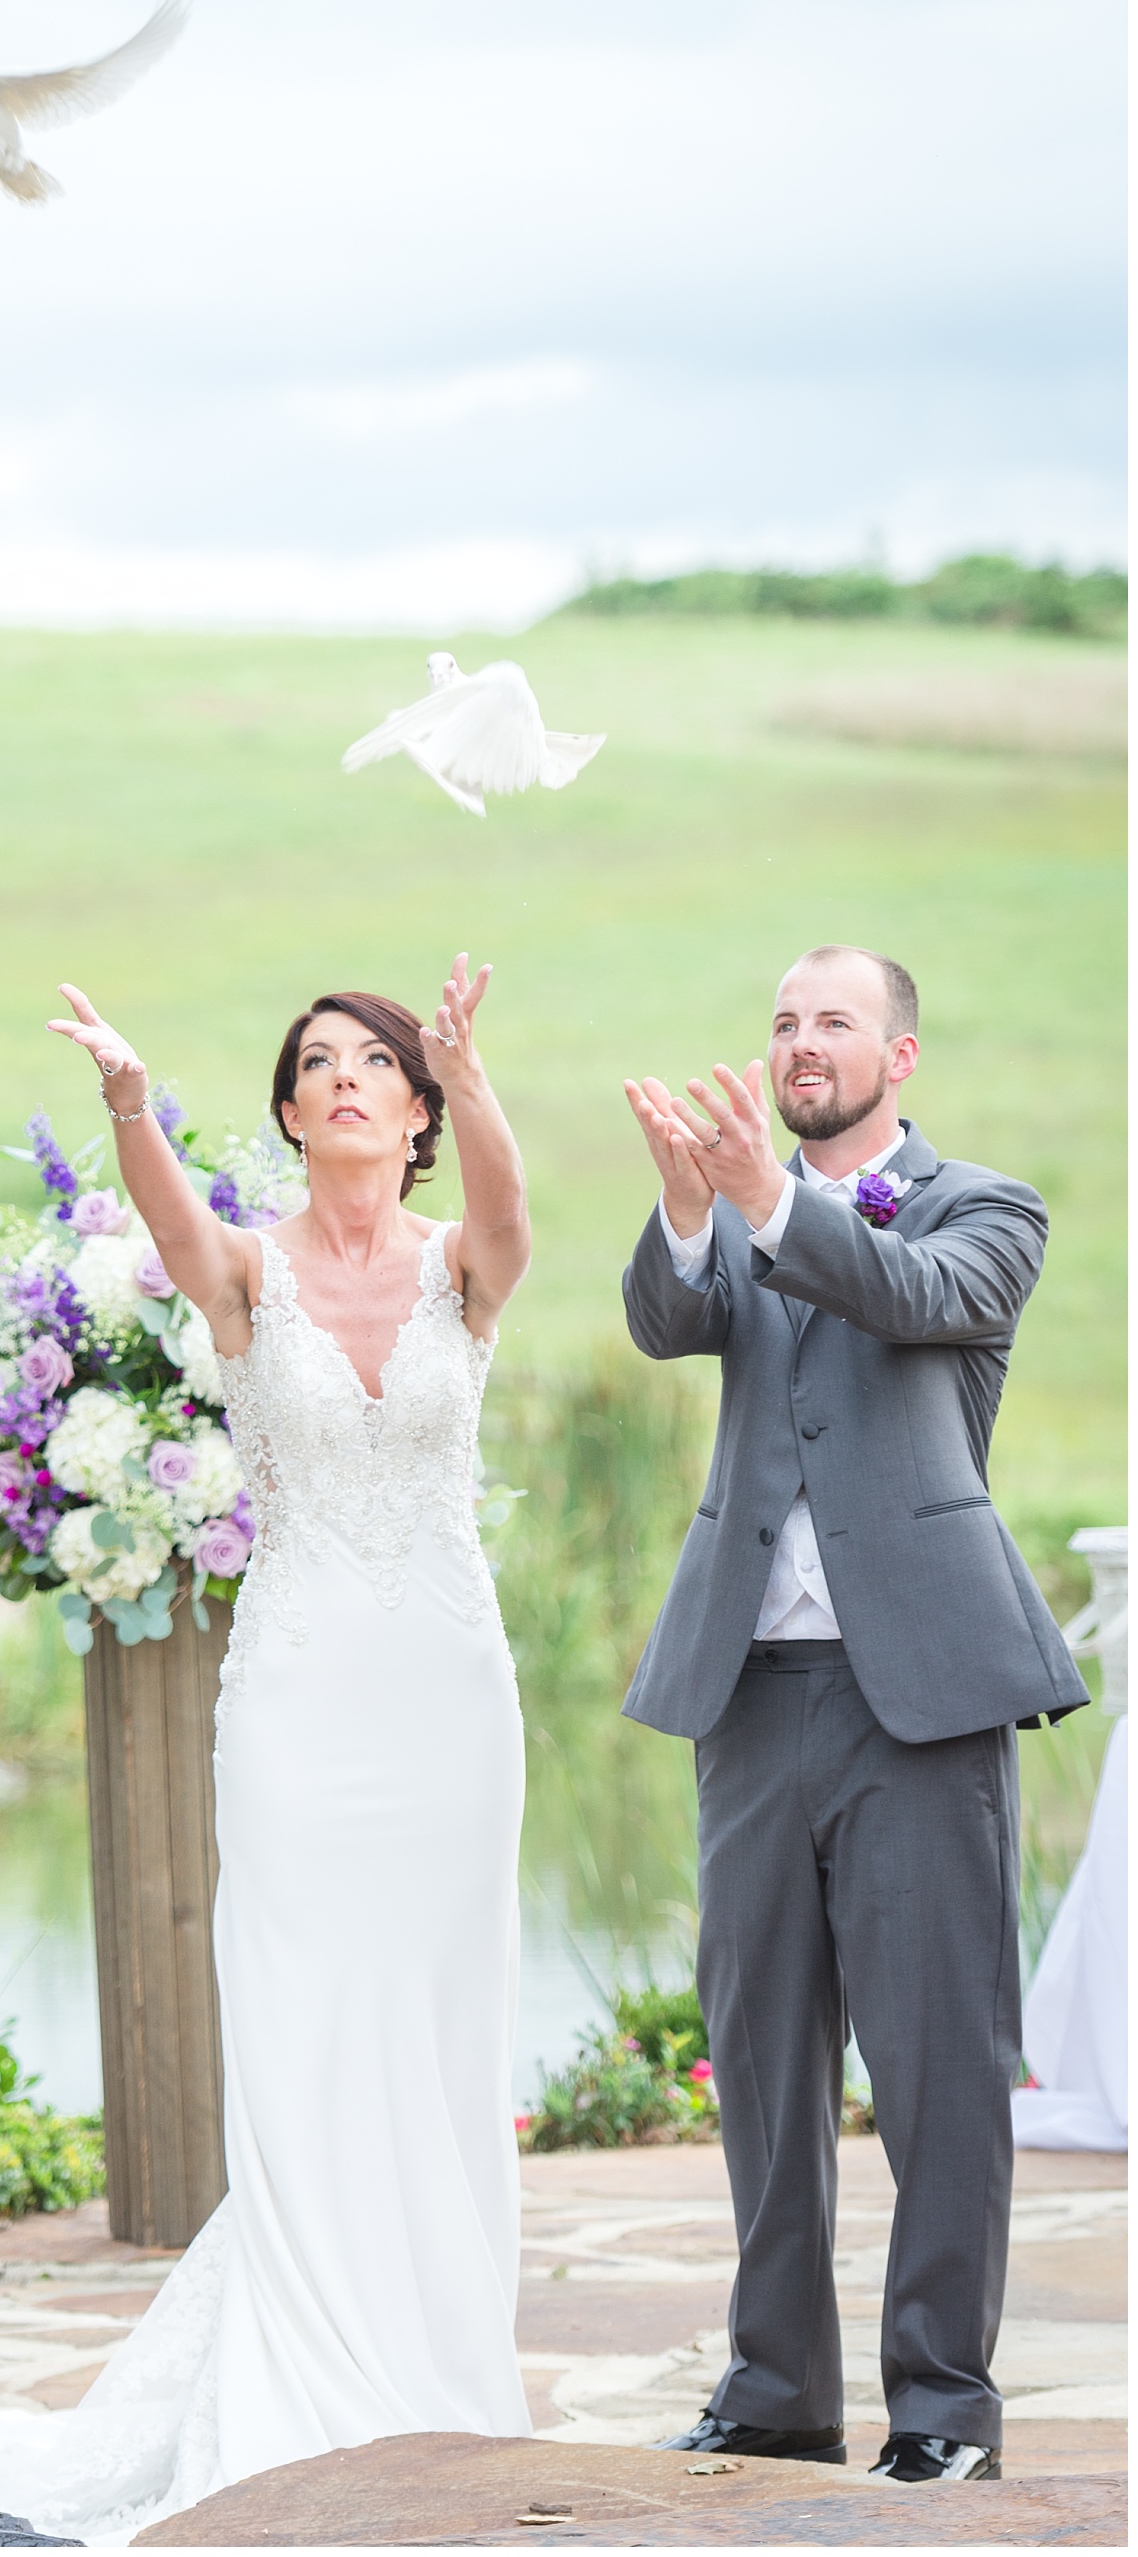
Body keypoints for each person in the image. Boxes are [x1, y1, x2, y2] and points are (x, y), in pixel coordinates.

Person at [0, 956, 535, 2544]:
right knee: (303, 2011)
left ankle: (445, 2366)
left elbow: (511, 1221)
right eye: (318, 1064)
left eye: (377, 1065)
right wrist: (129, 1098)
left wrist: (475, 1070)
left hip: (448, 1699)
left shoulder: (456, 1274)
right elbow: (181, 1232)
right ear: (286, 1111)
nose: (347, 1079)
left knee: (436, 2012)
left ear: (411, 1111)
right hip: (295, 1698)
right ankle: (310, 2368)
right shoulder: (247, 1280)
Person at [620, 944, 1088, 2488]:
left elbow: (904, 1293)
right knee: (760, 2056)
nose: (800, 1042)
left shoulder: (984, 1209)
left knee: (941, 2063)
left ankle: (944, 2409)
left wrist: (764, 1202)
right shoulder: (745, 1213)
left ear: (901, 1058)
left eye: (833, 1022)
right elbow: (669, 1323)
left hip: (922, 1698)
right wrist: (692, 1203)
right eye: (781, 1021)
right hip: (750, 1688)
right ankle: (776, 2391)